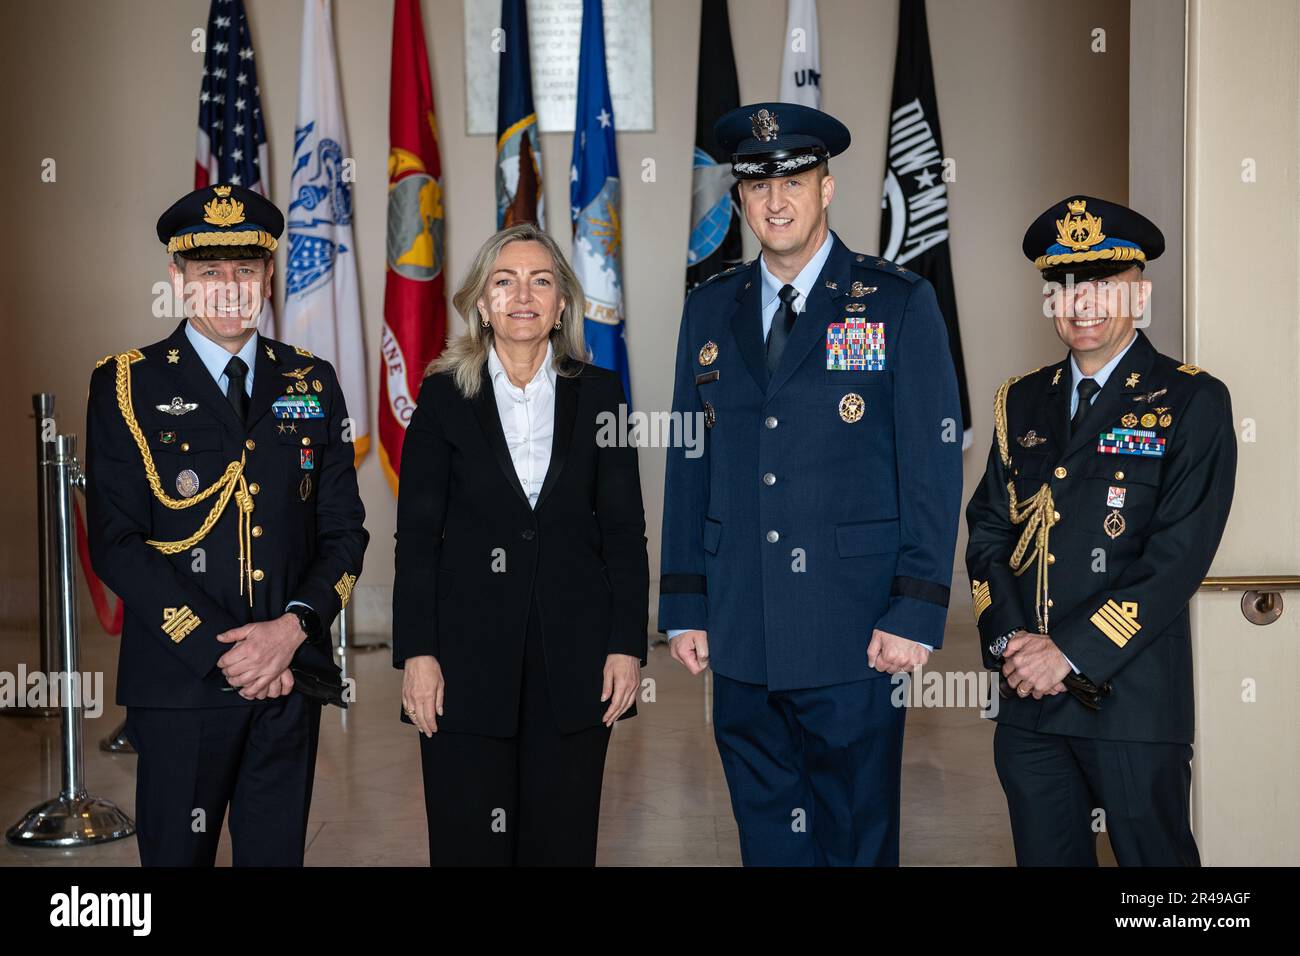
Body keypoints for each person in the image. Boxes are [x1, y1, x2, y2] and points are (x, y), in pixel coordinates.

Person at [659, 103, 964, 866]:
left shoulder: (896, 302)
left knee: (856, 838)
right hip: (741, 628)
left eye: (794, 180)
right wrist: (685, 604)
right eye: (757, 187)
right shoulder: (708, 308)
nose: (776, 201)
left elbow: (931, 467)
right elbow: (689, 463)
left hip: (855, 630)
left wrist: (916, 609)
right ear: (738, 200)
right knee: (767, 839)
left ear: (827, 188)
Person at [85, 183, 368, 866]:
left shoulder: (311, 380)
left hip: (289, 679)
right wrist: (227, 651)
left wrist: (291, 631)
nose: (230, 287)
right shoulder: (129, 384)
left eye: (246, 269)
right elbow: (116, 544)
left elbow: (345, 532)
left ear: (269, 276)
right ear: (177, 279)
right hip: (183, 685)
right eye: (210, 271)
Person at [965, 195, 1236, 866]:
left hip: (1133, 704)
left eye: (1101, 285)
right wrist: (1011, 642)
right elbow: (988, 533)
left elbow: (1176, 557)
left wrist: (1071, 650)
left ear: (1138, 294)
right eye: (1063, 285)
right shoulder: (1021, 400)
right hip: (1031, 706)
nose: (1081, 303)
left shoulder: (1190, 400)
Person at [393, 222, 649, 866]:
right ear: (482, 302)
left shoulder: (601, 394)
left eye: (541, 280)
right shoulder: (442, 396)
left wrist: (626, 645)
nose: (523, 295)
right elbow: (417, 537)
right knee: (469, 846)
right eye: (504, 281)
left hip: (576, 662)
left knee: (560, 845)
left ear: (563, 301)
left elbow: (624, 530)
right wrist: (417, 654)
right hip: (464, 661)